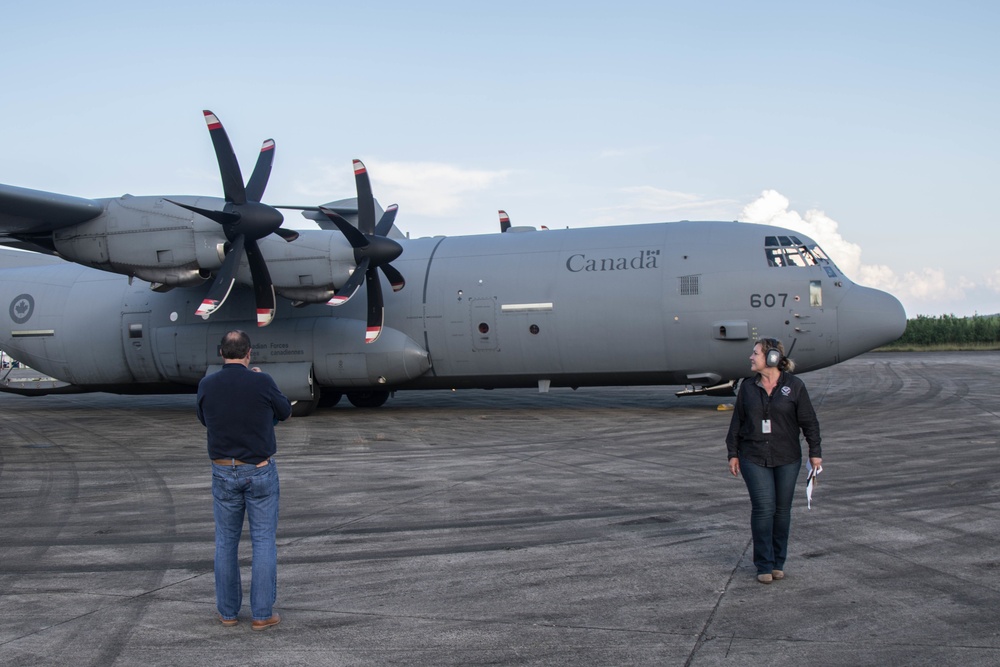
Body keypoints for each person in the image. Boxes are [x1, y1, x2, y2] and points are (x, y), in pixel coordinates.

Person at [197, 330, 292, 629]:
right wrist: (262, 382)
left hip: (223, 469)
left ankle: (227, 613)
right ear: (249, 353)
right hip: (259, 469)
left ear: (221, 353)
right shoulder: (261, 381)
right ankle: (262, 615)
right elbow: (285, 412)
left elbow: (204, 417)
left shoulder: (207, 384)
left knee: (226, 542)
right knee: (263, 541)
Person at [726, 337, 822, 584]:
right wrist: (733, 453)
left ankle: (779, 562)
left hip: (787, 456)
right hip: (753, 456)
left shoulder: (795, 386)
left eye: (755, 353)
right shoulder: (748, 387)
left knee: (781, 511)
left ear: (771, 358)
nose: (750, 357)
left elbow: (809, 421)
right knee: (763, 508)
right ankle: (764, 565)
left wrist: (815, 452)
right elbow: (737, 423)